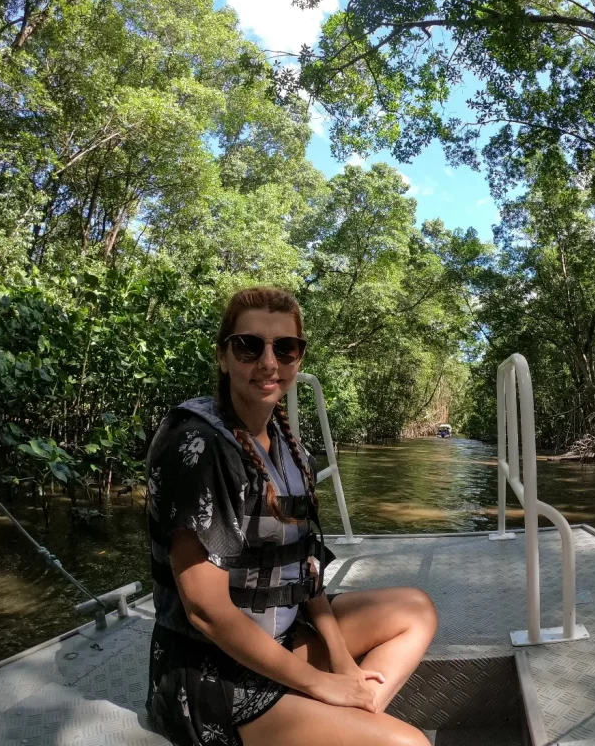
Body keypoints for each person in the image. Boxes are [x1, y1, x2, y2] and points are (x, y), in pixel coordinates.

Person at [145, 286, 437, 746]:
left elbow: (303, 571)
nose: (268, 362)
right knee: (410, 745)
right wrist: (321, 683)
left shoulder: (286, 445)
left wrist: (342, 667)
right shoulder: (199, 449)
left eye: (286, 348)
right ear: (223, 356)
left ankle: (351, 715)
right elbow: (206, 611)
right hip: (211, 675)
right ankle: (340, 722)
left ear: (299, 357)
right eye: (248, 346)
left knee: (415, 609)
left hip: (280, 643)